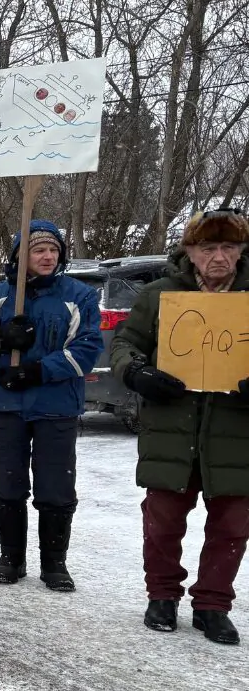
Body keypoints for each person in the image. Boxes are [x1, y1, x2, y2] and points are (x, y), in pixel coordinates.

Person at [108, 208, 249, 645]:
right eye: (209, 247)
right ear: (191, 250)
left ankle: (212, 605)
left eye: (229, 247)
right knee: (163, 522)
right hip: (171, 428)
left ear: (241, 250)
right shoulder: (159, 295)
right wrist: (137, 373)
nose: (219, 257)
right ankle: (162, 596)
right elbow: (125, 344)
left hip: (236, 433)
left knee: (232, 526)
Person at [0, 219, 102, 591]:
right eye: (38, 250)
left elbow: (87, 350)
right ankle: (11, 556)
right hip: (6, 404)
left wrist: (38, 371)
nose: (46, 256)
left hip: (55, 404)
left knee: (55, 486)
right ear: (20, 257)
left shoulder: (79, 296)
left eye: (53, 250)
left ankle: (54, 563)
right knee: (7, 481)